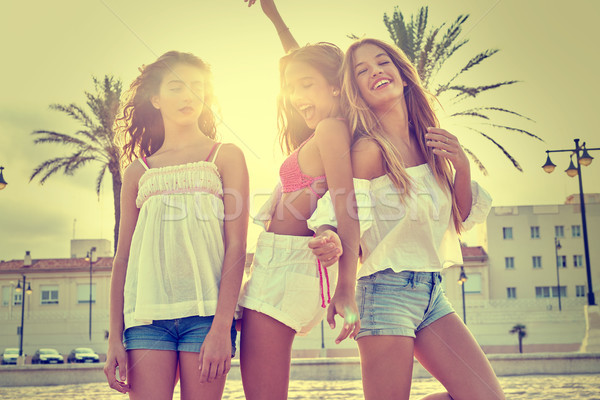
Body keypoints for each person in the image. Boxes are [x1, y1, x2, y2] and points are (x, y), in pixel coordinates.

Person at [308, 38, 505, 400]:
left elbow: (461, 216)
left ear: (402, 74)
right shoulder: (369, 150)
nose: (375, 72)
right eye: (361, 71)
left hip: (432, 293)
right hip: (383, 292)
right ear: (356, 93)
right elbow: (345, 212)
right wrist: (332, 248)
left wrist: (460, 164)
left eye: (382, 62)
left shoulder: (430, 143)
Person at [104, 51, 249, 400]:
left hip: (206, 318)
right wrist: (114, 337)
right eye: (177, 87)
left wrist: (221, 327)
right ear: (155, 98)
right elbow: (122, 258)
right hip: (146, 321)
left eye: (197, 87)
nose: (189, 95)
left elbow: (236, 247)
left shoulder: (225, 155)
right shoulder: (138, 172)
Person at [237, 1, 360, 399]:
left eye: (306, 85)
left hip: (288, 267)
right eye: (292, 87)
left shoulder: (329, 128)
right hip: (282, 264)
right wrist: (273, 14)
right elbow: (298, 61)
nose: (294, 96)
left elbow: (346, 204)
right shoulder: (326, 127)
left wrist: (346, 288)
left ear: (336, 85)